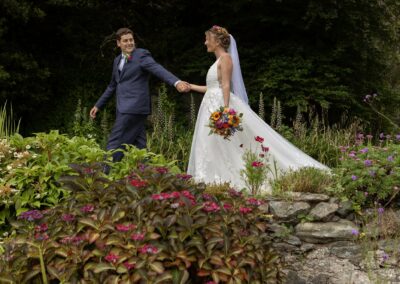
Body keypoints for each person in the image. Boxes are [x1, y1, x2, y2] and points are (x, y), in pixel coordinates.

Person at [187, 25, 328, 192]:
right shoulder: (218, 61)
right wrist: (191, 86)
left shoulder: (226, 59)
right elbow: (212, 88)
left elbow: (226, 85)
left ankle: (220, 180)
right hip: (210, 104)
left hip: (219, 106)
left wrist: (225, 111)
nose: (205, 42)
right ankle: (210, 179)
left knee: (219, 142)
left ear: (217, 41)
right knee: (210, 143)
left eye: (207, 39)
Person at [90, 28, 190, 168]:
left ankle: (105, 175)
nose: (129, 43)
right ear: (119, 43)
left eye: (131, 40)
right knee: (140, 146)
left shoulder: (141, 55)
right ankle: (148, 177)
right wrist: (98, 105)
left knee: (115, 142)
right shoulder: (117, 60)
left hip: (133, 107)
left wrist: (176, 82)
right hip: (124, 107)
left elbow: (157, 69)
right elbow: (113, 85)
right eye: (125, 41)